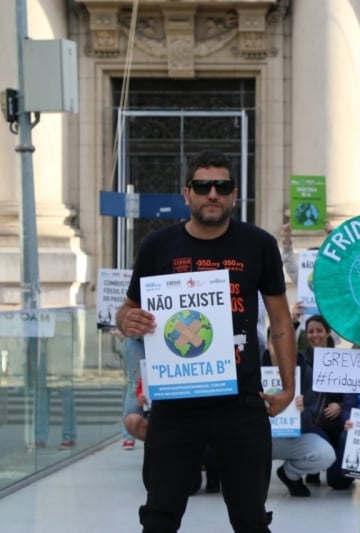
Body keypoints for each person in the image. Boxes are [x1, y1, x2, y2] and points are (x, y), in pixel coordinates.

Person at [115, 149, 296, 533]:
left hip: (240, 401)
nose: (212, 194)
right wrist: (127, 319)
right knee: (160, 516)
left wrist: (287, 385)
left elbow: (280, 320)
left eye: (222, 186)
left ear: (234, 194)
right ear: (187, 194)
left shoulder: (259, 244)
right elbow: (127, 308)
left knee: (250, 518)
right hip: (175, 405)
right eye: (202, 186)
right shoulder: (157, 246)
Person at [262, 328, 336, 497]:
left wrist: (300, 412)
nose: (281, 348)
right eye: (275, 343)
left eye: (286, 344)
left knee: (325, 454)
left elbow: (312, 416)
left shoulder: (305, 372)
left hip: (293, 437)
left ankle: (290, 474)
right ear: (268, 344)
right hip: (261, 437)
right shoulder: (254, 369)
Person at [296, 314, 343, 486]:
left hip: (335, 423)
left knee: (338, 482)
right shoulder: (300, 361)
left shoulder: (341, 361)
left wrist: (340, 405)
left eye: (319, 331)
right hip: (310, 422)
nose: (314, 335)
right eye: (310, 332)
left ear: (328, 332)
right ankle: (311, 468)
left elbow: (350, 393)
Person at [119, 334, 145, 450]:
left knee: (134, 386)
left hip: (160, 337)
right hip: (138, 338)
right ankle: (129, 434)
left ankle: (129, 435)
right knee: (135, 385)